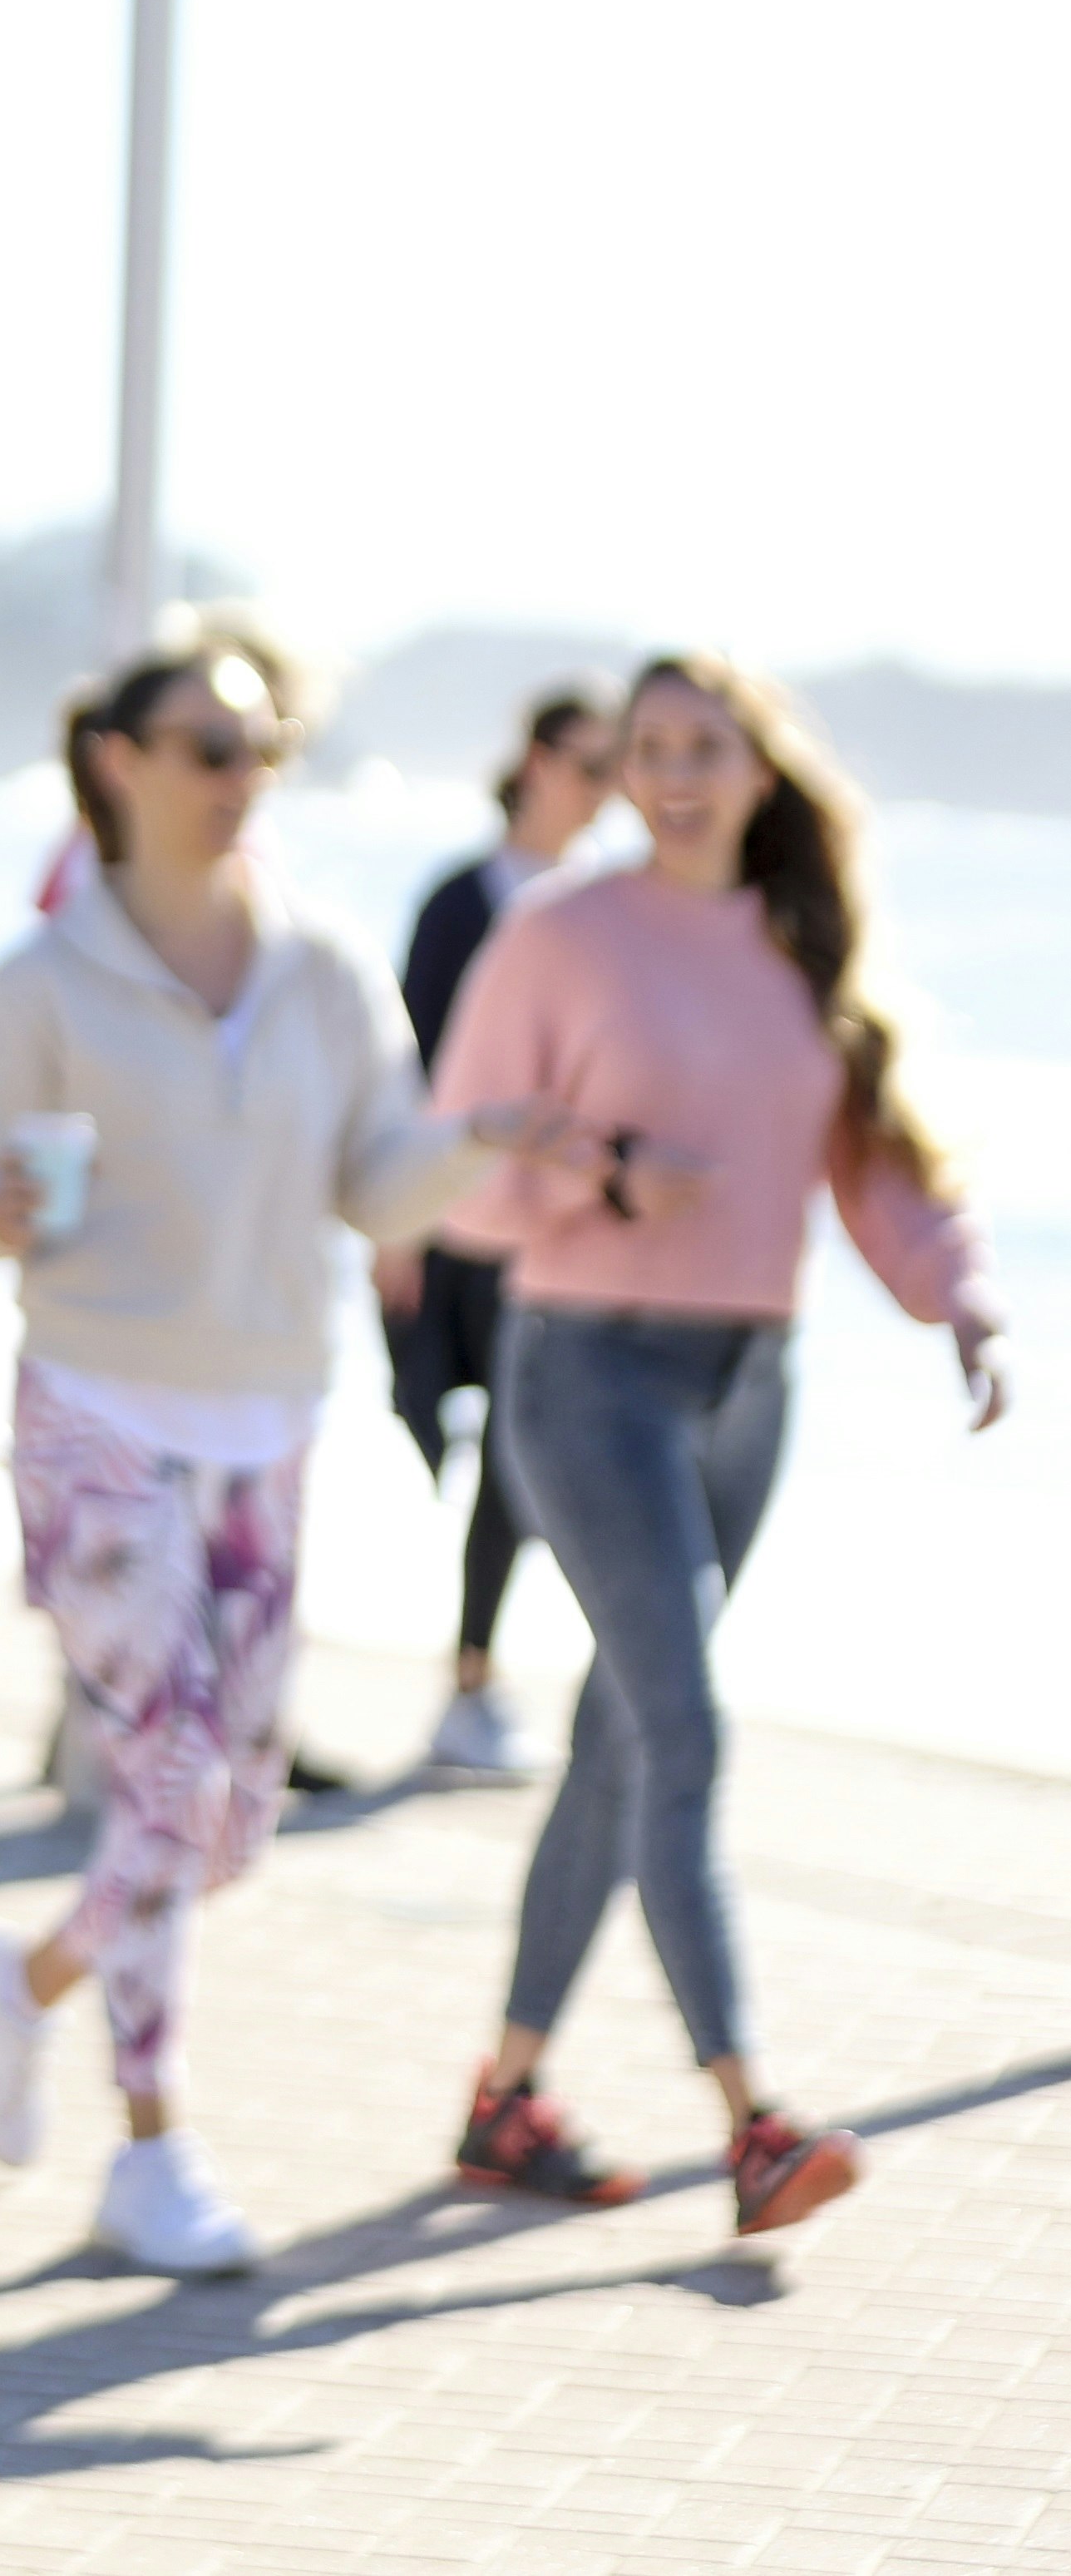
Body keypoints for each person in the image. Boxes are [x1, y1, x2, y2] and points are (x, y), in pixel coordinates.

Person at [0, 644, 554, 2276]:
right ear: (118, 760)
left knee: (228, 1822)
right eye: (208, 744)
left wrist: (483, 1142)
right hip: (95, 1413)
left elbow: (376, 1182)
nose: (240, 774)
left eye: (262, 745)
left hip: (266, 1422)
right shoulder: (39, 983)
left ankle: (22, 1980)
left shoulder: (327, 969)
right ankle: (150, 2150)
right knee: (161, 1787)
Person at [426, 654, 1008, 2232]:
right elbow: (456, 1169)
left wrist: (959, 1298)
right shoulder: (559, 935)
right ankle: (753, 2121)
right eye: (648, 748)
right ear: (621, 773)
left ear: (762, 769)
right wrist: (600, 1169)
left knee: (625, 1733)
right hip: (587, 1372)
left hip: (751, 1380)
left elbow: (875, 1165)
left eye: (704, 746)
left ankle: (506, 2097)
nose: (673, 774)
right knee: (683, 1732)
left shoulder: (803, 943)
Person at [382, 685, 617, 1777]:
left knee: (531, 1455)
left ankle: (482, 1681)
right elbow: (408, 1068)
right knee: (463, 1441)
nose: (605, 790)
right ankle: (466, 1685)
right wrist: (395, 1226)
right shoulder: (460, 900)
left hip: (566, 1229)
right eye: (591, 764)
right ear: (534, 760)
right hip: (457, 1223)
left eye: (616, 769)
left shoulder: (614, 905)